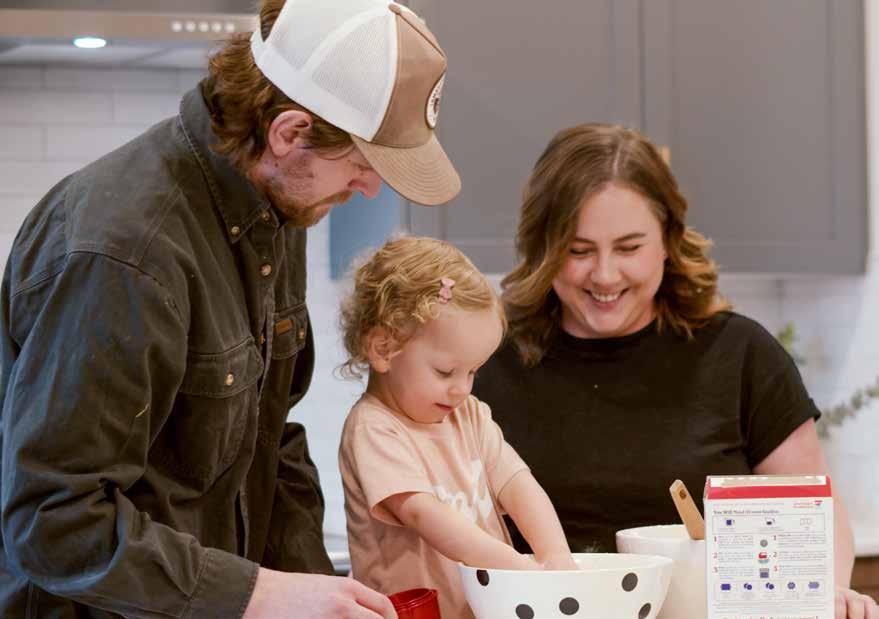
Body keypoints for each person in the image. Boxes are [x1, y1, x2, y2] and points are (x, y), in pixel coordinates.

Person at [0, 0, 459, 616]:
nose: (370, 187)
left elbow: (273, 441)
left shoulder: (278, 206)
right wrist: (258, 593)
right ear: (290, 133)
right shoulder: (125, 256)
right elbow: (53, 521)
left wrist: (322, 594)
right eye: (361, 163)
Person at [472, 123, 878, 619]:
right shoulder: (483, 363)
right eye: (578, 250)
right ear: (543, 247)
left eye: (629, 248)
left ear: (668, 239)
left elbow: (813, 510)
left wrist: (827, 591)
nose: (604, 274)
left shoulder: (741, 354)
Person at [337, 236, 576, 619]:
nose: (462, 388)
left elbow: (518, 485)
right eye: (445, 371)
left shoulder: (469, 415)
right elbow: (423, 514)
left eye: (473, 372)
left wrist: (557, 558)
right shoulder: (374, 429)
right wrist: (519, 569)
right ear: (384, 349)